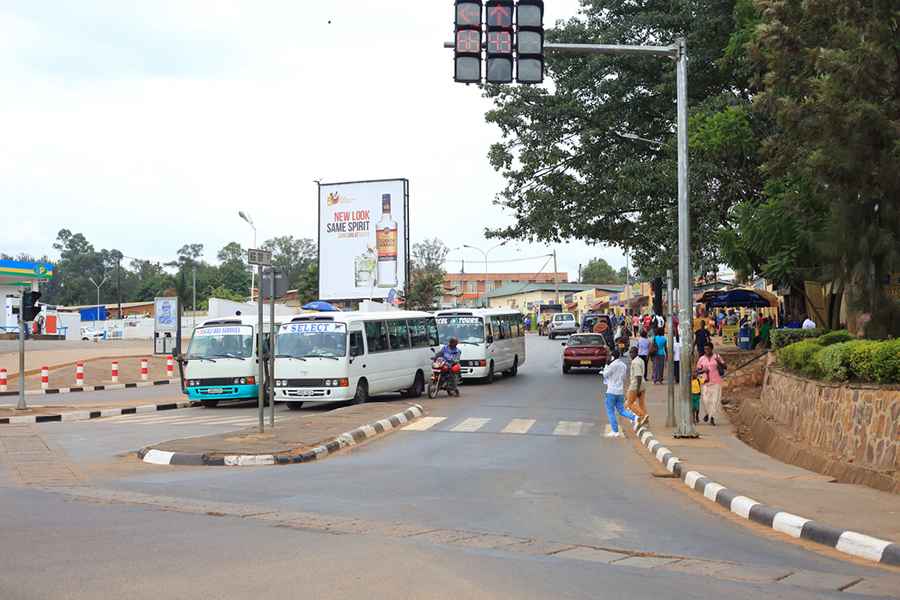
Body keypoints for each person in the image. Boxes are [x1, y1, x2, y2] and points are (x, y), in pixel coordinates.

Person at [601, 350, 637, 438]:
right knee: (622, 410)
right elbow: (624, 377)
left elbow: (605, 375)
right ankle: (634, 418)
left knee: (610, 412)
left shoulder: (612, 365)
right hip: (620, 391)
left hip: (611, 391)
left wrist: (606, 365)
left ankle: (615, 431)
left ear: (613, 357)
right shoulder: (623, 365)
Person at [696, 343, 726, 425]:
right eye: (705, 349)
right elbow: (697, 371)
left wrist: (718, 362)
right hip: (705, 382)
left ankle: (712, 417)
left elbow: (725, 367)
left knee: (715, 400)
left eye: (708, 349)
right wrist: (703, 371)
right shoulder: (701, 359)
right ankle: (707, 413)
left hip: (716, 381)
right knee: (705, 400)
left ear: (712, 349)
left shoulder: (717, 357)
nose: (707, 351)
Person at [626, 347, 649, 427]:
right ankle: (645, 420)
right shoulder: (640, 360)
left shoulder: (635, 362)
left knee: (629, 403)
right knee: (641, 403)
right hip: (643, 383)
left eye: (631, 353)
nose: (630, 354)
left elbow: (638, 376)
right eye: (630, 353)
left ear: (635, 353)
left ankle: (642, 415)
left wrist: (638, 389)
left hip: (636, 385)